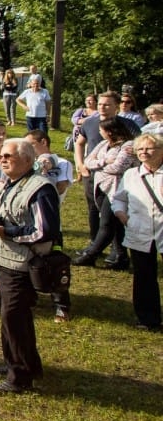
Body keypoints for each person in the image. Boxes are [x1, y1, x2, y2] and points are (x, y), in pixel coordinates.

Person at [0, 138, 61, 394]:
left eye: (8, 156)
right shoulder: (7, 182)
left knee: (14, 316)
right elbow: (2, 214)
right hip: (3, 259)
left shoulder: (41, 188)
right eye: (1, 156)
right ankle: (21, 362)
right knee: (12, 316)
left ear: (27, 160)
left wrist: (7, 232)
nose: (1, 160)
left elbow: (44, 231)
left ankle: (20, 377)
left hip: (22, 264)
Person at [112, 132, 163, 332]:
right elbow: (119, 198)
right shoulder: (131, 174)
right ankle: (147, 318)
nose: (144, 152)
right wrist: (122, 216)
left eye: (149, 148)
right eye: (140, 149)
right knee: (144, 276)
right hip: (139, 231)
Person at [73, 118, 136, 270]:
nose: (99, 132)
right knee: (116, 225)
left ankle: (90, 254)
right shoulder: (103, 144)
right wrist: (103, 162)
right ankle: (121, 257)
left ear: (110, 131)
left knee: (106, 223)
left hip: (117, 190)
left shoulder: (128, 146)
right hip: (101, 188)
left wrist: (99, 166)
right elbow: (88, 161)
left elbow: (118, 167)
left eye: (101, 130)